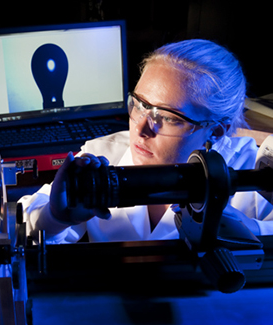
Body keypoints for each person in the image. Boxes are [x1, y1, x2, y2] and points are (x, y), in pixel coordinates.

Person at [20, 39, 273, 244]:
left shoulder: (256, 178)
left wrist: (243, 227)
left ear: (216, 132)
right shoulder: (102, 155)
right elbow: (17, 228)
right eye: (140, 105)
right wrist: (54, 217)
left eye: (166, 117)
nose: (141, 128)